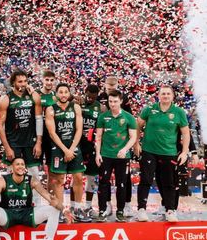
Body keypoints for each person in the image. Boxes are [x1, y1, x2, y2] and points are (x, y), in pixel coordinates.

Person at [134, 85, 190, 223]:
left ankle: (170, 210)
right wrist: (136, 143)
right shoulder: (149, 109)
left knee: (169, 182)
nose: (165, 96)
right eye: (163, 93)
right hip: (148, 151)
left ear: (172, 96)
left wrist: (185, 152)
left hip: (169, 152)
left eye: (168, 94)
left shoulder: (179, 112)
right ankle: (141, 209)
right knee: (146, 180)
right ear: (158, 95)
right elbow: (138, 125)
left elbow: (185, 133)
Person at [0, 69, 43, 205]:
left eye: (25, 81)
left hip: (30, 142)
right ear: (13, 83)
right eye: (20, 81)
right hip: (13, 143)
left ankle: (37, 205)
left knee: (34, 174)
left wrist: (38, 142)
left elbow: (39, 120)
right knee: (11, 175)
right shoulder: (6, 99)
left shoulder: (34, 96)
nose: (23, 84)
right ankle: (10, 204)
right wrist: (6, 147)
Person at [45, 83, 90, 222]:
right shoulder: (51, 109)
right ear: (56, 94)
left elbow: (79, 129)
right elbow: (52, 133)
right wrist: (65, 150)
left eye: (66, 92)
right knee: (59, 180)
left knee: (78, 177)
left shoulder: (75, 107)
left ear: (69, 93)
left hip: (73, 146)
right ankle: (59, 210)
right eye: (61, 92)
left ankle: (77, 208)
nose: (63, 94)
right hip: (58, 148)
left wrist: (71, 149)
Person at [95, 90, 137, 222]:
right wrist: (98, 154)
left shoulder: (129, 117)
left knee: (122, 184)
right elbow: (98, 137)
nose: (112, 104)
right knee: (103, 183)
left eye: (115, 101)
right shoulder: (102, 117)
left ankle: (120, 211)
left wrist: (125, 149)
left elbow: (133, 137)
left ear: (121, 101)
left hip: (122, 157)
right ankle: (102, 211)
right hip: (105, 155)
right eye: (110, 101)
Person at [77, 84, 102, 219]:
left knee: (92, 177)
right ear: (85, 92)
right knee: (77, 176)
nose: (90, 99)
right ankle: (75, 207)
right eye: (88, 97)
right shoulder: (77, 103)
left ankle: (88, 206)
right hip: (78, 144)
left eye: (93, 97)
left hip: (92, 145)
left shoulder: (100, 108)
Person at [36, 70, 56, 170]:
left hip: (51, 134)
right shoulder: (35, 94)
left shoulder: (56, 96)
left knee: (51, 166)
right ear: (42, 80)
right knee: (35, 166)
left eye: (51, 80)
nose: (49, 82)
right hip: (36, 133)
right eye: (47, 80)